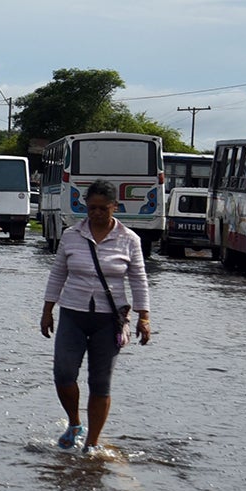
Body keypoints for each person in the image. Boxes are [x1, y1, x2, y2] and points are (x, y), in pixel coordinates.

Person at [39, 179, 151, 453]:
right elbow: (58, 274)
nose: (97, 213)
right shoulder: (71, 235)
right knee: (64, 373)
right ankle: (75, 422)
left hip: (108, 319)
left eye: (103, 208)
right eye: (91, 208)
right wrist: (47, 310)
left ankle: (91, 443)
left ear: (115, 207)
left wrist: (144, 318)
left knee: (100, 382)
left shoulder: (129, 240)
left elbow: (139, 280)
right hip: (73, 313)